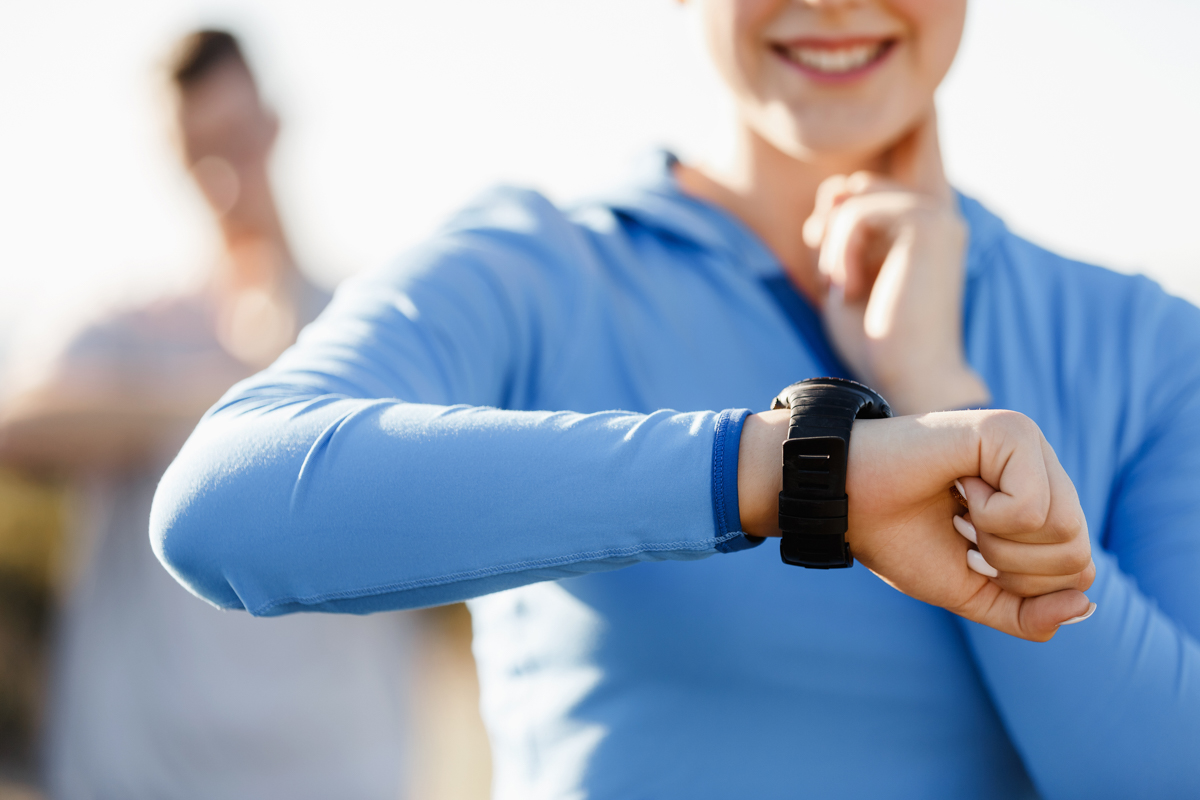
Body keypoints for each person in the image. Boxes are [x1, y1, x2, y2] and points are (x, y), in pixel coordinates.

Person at [151, 1, 1199, 798]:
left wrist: (941, 387)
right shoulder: (539, 271)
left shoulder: (1145, 341)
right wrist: (794, 471)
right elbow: (226, 504)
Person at [0, 31, 412, 799]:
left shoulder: (362, 319)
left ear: (274, 126)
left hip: (331, 770)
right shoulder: (127, 325)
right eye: (200, 153)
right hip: (139, 771)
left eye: (237, 141)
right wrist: (224, 396)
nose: (223, 179)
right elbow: (18, 430)